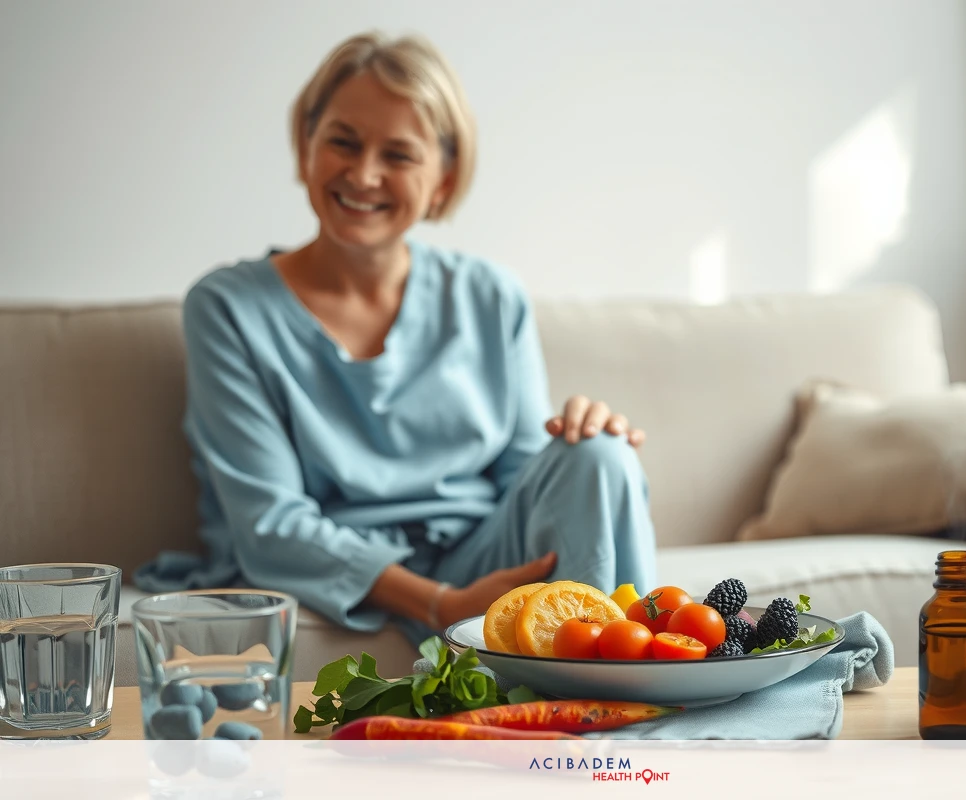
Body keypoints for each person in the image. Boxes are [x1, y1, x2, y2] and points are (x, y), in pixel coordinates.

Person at [134, 31, 657, 647]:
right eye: (342, 142)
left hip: (482, 556)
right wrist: (440, 603)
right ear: (306, 147)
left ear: (444, 177)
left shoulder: (492, 296)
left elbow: (525, 479)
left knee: (600, 455)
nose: (363, 174)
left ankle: (623, 690)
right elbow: (269, 522)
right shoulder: (227, 308)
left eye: (400, 155)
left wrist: (579, 441)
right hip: (334, 573)